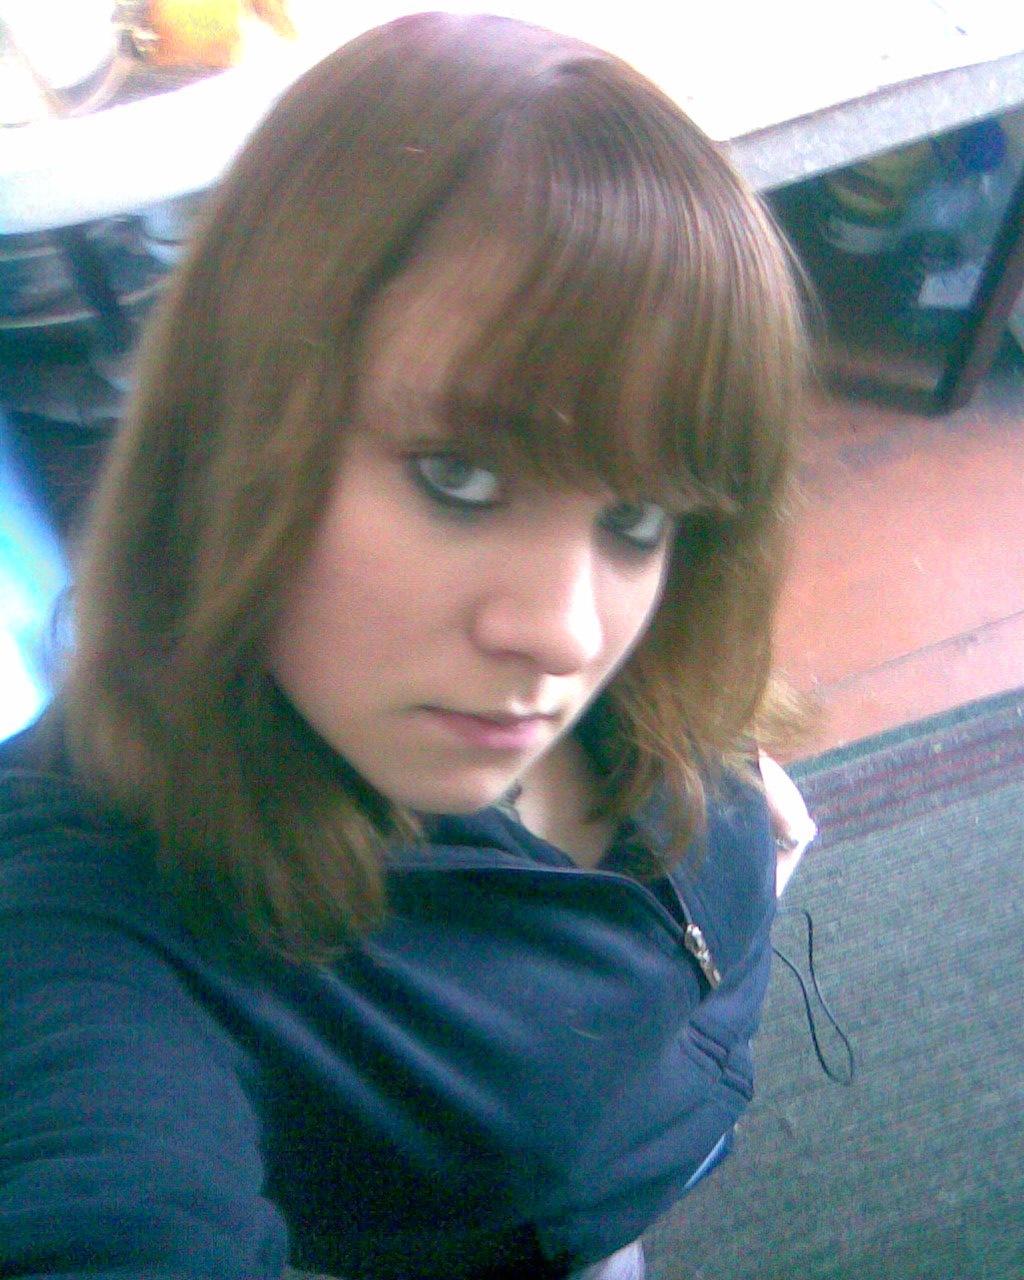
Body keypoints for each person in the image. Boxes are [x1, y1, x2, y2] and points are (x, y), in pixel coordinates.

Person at [0, 12, 813, 1279]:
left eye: (637, 516)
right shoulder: (91, 905)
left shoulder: (626, 657)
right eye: (458, 476)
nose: (566, 633)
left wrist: (735, 817)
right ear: (236, 429)